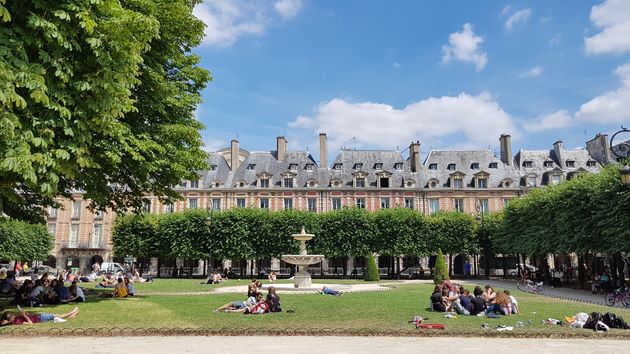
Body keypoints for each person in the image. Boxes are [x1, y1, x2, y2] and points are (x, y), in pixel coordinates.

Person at [0, 306, 80, 326]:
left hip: (39, 316)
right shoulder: (17, 322)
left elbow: (27, 317)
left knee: (58, 316)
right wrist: (24, 315)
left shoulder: (16, 318)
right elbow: (30, 323)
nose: (13, 314)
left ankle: (72, 315)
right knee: (58, 315)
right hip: (40, 319)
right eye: (11, 315)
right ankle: (72, 312)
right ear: (9, 319)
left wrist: (25, 314)